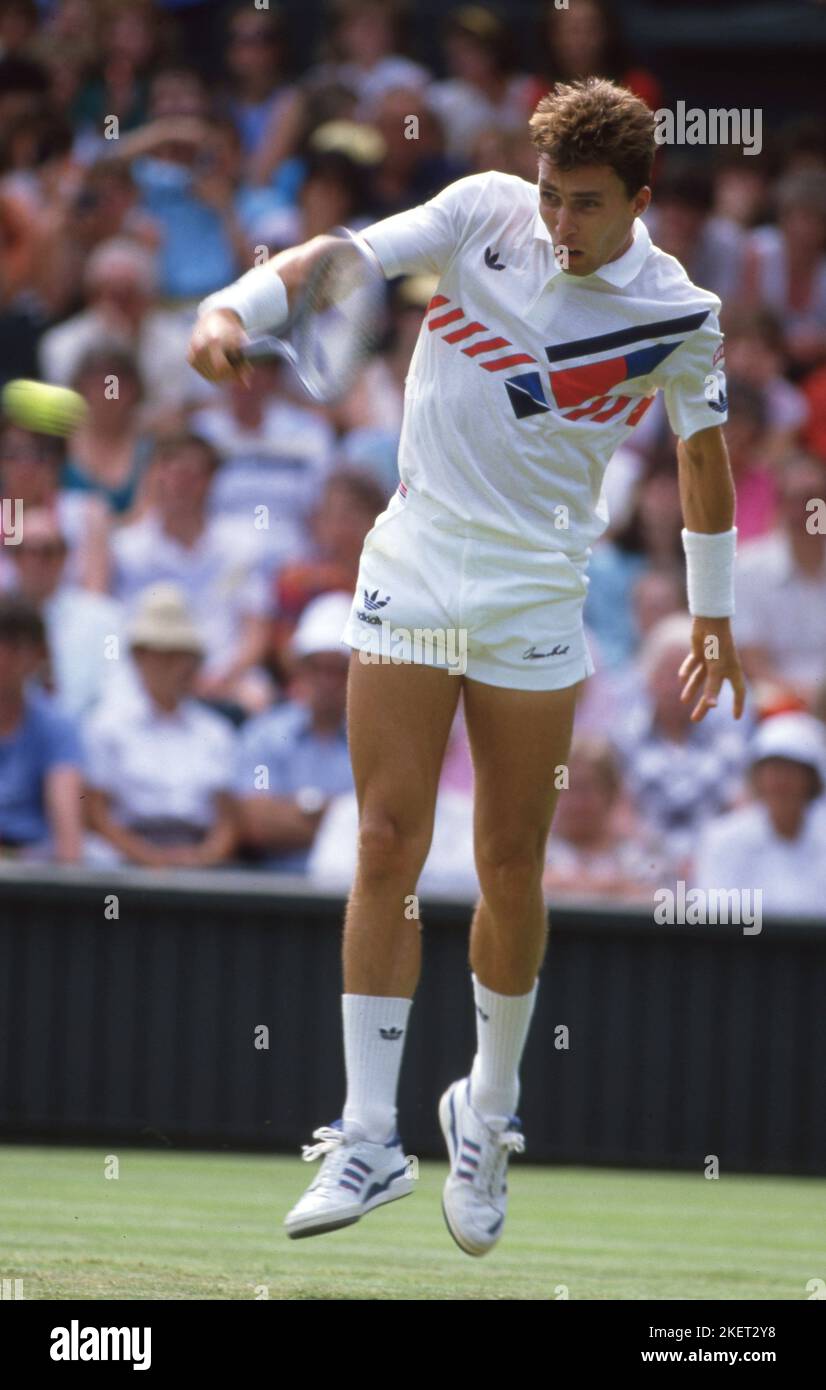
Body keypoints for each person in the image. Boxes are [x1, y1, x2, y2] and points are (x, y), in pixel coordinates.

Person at [187, 76, 745, 1256]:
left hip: (536, 594)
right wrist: (231, 309)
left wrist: (713, 618)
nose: (557, 221)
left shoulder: (681, 314)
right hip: (415, 562)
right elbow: (337, 257)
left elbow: (702, 462)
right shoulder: (483, 209)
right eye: (550, 193)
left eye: (585, 204)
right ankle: (369, 1135)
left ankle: (487, 1110)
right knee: (388, 839)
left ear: (639, 200)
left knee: (508, 860)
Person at [83, 584, 238, 869]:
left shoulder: (215, 732)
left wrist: (204, 858)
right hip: (125, 862)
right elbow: (96, 814)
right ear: (139, 657)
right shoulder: (107, 725)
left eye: (180, 654)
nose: (174, 666)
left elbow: (227, 821)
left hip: (198, 860)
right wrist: (148, 858)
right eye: (162, 654)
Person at [234, 591, 354, 873]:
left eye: (338, 670)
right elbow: (255, 824)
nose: (327, 681)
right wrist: (342, 821)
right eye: (317, 668)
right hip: (278, 905)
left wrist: (298, 812)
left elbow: (382, 828)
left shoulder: (378, 741)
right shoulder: (263, 734)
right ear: (300, 669)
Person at [693, 713, 826, 919]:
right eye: (773, 771)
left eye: (791, 772)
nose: (780, 782)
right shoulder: (723, 839)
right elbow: (713, 918)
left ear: (811, 780)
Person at [0, 593, 83, 862]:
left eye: (13, 646)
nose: (3, 658)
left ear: (37, 655)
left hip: (32, 875)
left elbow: (68, 829)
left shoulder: (57, 727)